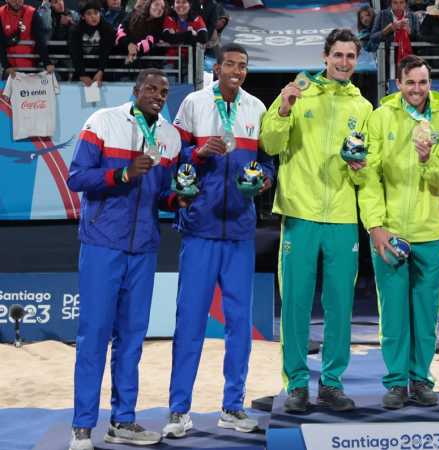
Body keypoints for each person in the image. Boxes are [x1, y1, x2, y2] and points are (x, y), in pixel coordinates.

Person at [66, 68, 196, 450]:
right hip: (102, 243)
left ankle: (123, 421)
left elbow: (160, 195)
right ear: (136, 90)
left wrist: (178, 200)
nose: (158, 95)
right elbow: (77, 178)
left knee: (132, 340)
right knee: (94, 337)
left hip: (143, 249)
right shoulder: (103, 121)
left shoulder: (169, 137)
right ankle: (81, 428)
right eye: (151, 89)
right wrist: (122, 173)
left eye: (164, 91)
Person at [163, 42, 274, 439]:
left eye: (242, 66)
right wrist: (197, 152)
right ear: (217, 66)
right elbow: (174, 158)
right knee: (189, 321)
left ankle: (233, 406)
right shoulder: (193, 103)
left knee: (239, 324)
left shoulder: (256, 108)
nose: (236, 70)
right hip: (200, 229)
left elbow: (267, 162)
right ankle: (178, 411)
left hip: (240, 232)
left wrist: (264, 180)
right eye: (230, 64)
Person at [259, 29, 372, 414]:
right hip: (300, 214)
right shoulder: (297, 91)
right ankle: (295, 385)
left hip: (342, 216)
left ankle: (332, 384)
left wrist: (360, 168)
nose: (343, 63)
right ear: (324, 56)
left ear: (357, 60)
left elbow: (364, 171)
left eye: (350, 56)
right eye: (337, 55)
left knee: (340, 304)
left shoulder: (363, 107)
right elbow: (270, 145)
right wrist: (286, 107)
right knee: (295, 303)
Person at [359, 54, 439, 410]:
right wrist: (374, 225)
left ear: (430, 84)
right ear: (398, 84)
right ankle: (396, 383)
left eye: (423, 82)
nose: (417, 89)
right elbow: (368, 176)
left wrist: (426, 159)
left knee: (426, 312)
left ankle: (420, 380)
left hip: (431, 232)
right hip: (390, 234)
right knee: (393, 313)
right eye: (411, 82)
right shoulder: (380, 117)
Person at [0, 0, 53, 79]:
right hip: (8, 69)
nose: (17, 2)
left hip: (30, 67)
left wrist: (47, 62)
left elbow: (40, 40)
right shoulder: (0, 13)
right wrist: (6, 65)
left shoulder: (32, 13)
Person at [68, 0, 116, 87]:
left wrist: (100, 71)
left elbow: (106, 51)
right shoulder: (75, 30)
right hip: (81, 70)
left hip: (104, 71)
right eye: (89, 14)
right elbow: (75, 52)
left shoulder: (108, 28)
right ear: (82, 16)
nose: (94, 16)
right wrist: (81, 75)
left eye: (96, 13)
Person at [162, 0, 207, 81]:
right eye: (178, 2)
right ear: (174, 4)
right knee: (171, 90)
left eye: (184, 2)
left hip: (191, 62)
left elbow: (203, 38)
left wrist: (177, 37)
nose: (180, 5)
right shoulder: (168, 19)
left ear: (190, 5)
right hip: (170, 61)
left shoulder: (197, 19)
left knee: (188, 91)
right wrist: (190, 34)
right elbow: (169, 38)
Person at [115, 0, 166, 68]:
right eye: (156, 4)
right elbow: (120, 32)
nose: (159, 8)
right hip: (126, 68)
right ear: (149, 5)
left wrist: (134, 50)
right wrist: (129, 44)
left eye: (162, 7)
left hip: (148, 69)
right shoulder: (132, 16)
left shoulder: (162, 24)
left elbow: (151, 40)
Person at [370, 0, 421, 64]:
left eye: (401, 3)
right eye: (395, 3)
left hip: (409, 57)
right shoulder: (382, 15)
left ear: (406, 3)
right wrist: (386, 30)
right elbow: (372, 38)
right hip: (387, 57)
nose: (398, 6)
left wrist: (408, 30)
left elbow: (419, 39)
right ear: (391, 3)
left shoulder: (413, 16)